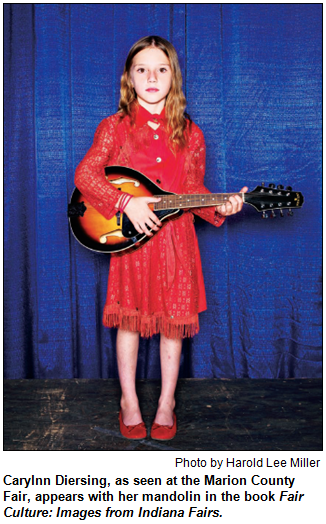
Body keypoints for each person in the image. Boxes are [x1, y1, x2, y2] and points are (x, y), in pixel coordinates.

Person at [75, 35, 247, 441]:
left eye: (161, 69)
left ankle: (167, 401)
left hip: (177, 244)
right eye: (142, 69)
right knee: (130, 323)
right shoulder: (113, 128)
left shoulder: (191, 133)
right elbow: (85, 176)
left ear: (174, 77)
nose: (152, 76)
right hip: (133, 242)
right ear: (129, 79)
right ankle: (129, 401)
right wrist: (124, 203)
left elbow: (194, 193)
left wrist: (223, 205)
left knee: (173, 324)